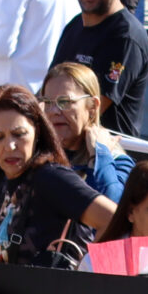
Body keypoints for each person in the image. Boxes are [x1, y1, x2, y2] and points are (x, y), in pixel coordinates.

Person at [0, 83, 115, 266]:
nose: (9, 146)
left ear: (37, 131)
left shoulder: (51, 177)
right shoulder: (6, 183)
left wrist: (86, 270)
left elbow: (113, 219)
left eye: (19, 134)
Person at [51, 0, 148, 137]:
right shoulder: (74, 26)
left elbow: (89, 111)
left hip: (105, 152)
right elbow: (48, 92)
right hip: (67, 145)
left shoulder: (126, 38)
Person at [40, 62, 133, 201]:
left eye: (64, 102)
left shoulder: (114, 160)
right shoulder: (37, 150)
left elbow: (110, 205)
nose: (53, 111)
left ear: (92, 107)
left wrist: (99, 157)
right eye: (47, 102)